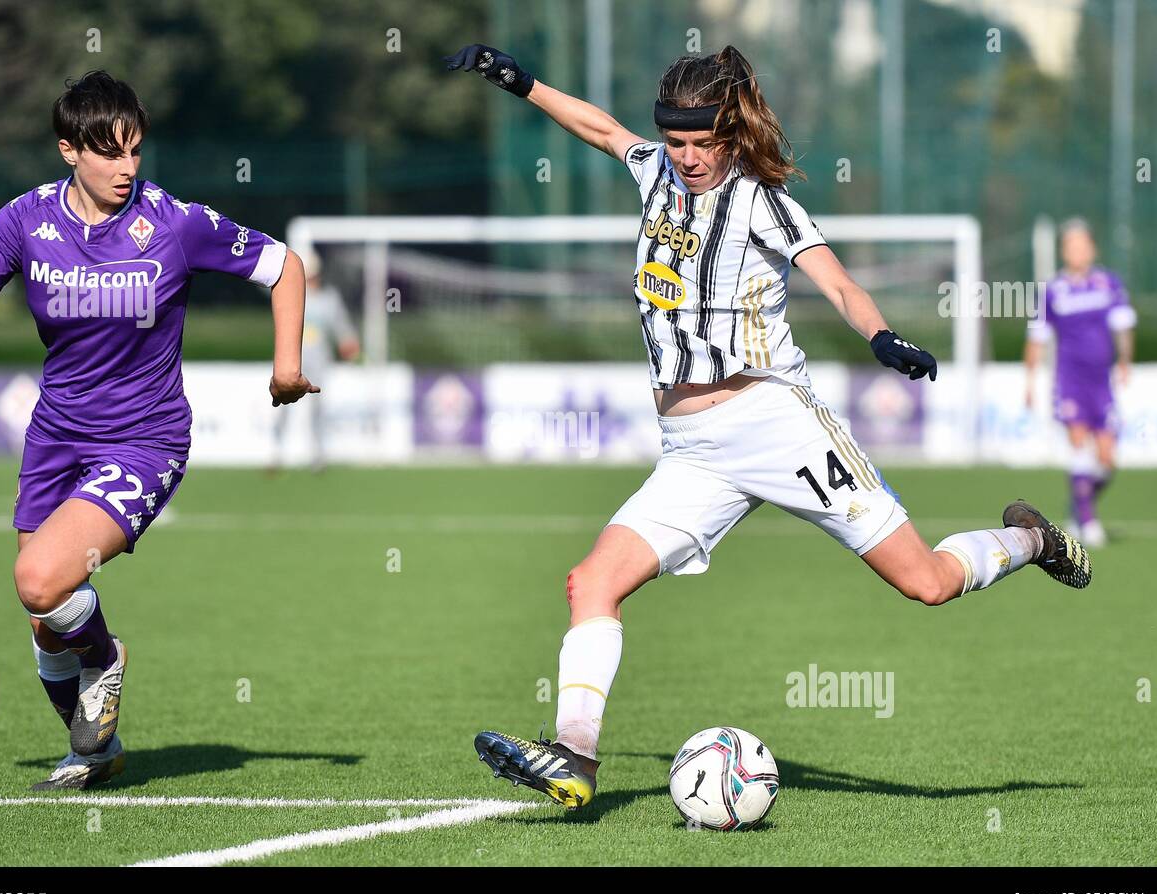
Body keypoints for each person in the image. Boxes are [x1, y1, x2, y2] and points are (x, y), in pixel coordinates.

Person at [445, 43, 1092, 810]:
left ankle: (1032, 541)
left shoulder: (762, 201)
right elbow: (599, 129)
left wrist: (881, 337)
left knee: (925, 583)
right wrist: (519, 81)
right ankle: (575, 757)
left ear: (731, 133)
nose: (685, 157)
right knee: (591, 583)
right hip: (691, 451)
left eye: (702, 143)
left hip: (777, 425)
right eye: (676, 142)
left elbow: (839, 281)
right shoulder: (654, 168)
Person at [0, 71, 318, 790]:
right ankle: (97, 753)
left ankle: (107, 660)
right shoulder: (24, 220)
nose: (127, 167)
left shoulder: (174, 222)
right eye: (109, 152)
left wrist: (287, 365)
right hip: (55, 440)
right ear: (69, 149)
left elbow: (285, 265)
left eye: (135, 150)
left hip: (145, 438)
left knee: (41, 582)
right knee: (44, 623)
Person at [1024, 218, 1135, 548]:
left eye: (1083, 245)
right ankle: (1088, 522)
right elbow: (1037, 339)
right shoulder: (1052, 291)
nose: (1078, 251)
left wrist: (1126, 361)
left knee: (1107, 459)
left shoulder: (1108, 284)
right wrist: (1029, 381)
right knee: (1078, 444)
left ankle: (1079, 502)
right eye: (1071, 246)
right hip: (1069, 381)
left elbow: (1123, 326)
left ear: (1092, 249)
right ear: (1064, 251)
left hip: (1102, 383)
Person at [269, 247, 359, 472]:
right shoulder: (292, 296)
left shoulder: (329, 300)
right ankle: (276, 453)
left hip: (318, 363)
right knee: (283, 407)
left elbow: (342, 327)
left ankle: (317, 456)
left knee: (317, 410)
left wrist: (348, 342)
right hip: (290, 361)